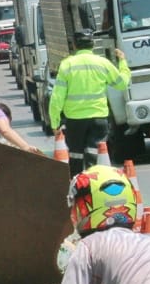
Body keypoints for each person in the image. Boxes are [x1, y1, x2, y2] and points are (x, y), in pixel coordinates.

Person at [48, 30, 130, 176]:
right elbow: (122, 84)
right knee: (94, 155)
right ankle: (94, 187)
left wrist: (55, 123)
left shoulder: (67, 65)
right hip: (99, 119)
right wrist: (122, 61)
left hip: (75, 121)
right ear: (92, 44)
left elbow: (56, 97)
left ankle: (78, 188)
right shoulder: (103, 63)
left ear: (74, 45)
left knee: (75, 156)